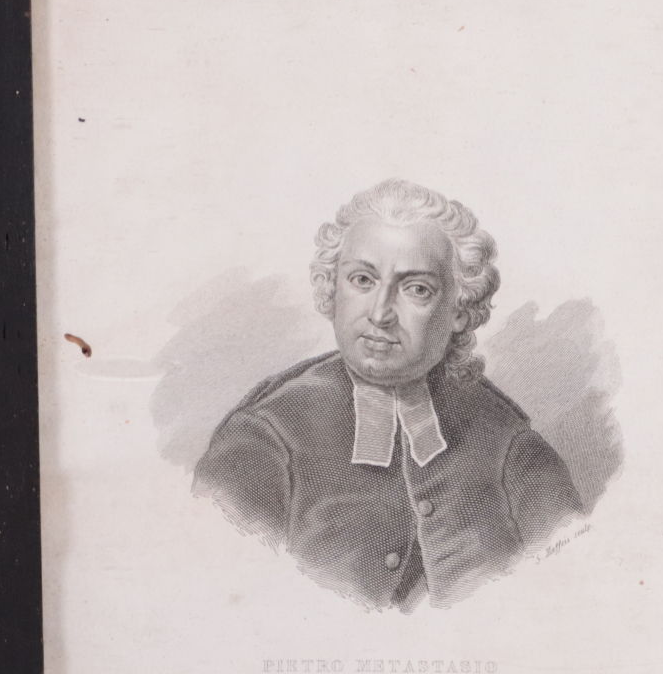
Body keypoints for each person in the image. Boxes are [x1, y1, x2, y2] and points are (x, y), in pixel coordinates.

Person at [193, 179, 583, 610]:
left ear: (459, 308)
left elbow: (573, 584)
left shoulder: (506, 439)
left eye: (416, 289)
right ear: (332, 288)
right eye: (362, 280)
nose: (380, 314)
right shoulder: (263, 439)